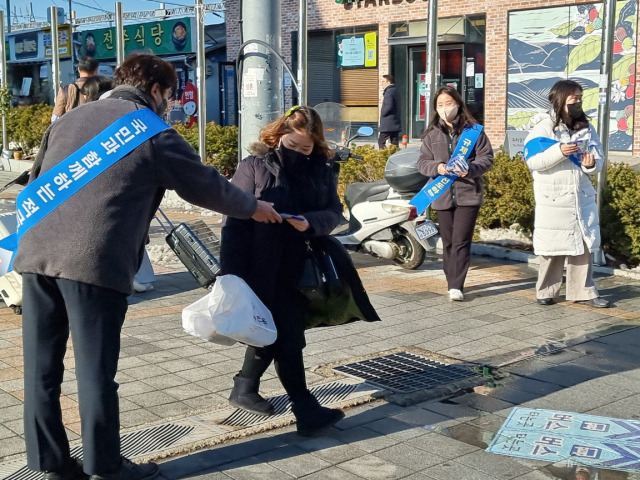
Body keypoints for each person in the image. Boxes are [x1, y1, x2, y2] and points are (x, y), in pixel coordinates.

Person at [14, 53, 280, 480]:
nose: (169, 105)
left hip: (34, 255)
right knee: (95, 372)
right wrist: (254, 207)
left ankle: (50, 463)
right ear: (156, 90)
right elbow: (205, 185)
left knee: (41, 368)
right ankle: (106, 466)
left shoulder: (67, 120)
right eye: (169, 96)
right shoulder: (150, 130)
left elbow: (38, 177)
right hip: (92, 263)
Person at [220, 105, 352, 437]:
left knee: (274, 330)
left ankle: (245, 386)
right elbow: (232, 220)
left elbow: (334, 212)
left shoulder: (323, 168)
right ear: (279, 137)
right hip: (259, 264)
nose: (299, 153)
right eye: (292, 146)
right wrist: (229, 273)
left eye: (306, 148)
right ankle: (305, 410)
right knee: (289, 337)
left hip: (301, 265)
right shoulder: (254, 165)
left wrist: (310, 222)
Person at [524, 79, 610, 308]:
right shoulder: (543, 127)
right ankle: (546, 290)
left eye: (580, 98)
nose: (578, 102)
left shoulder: (586, 127)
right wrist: (560, 151)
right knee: (552, 248)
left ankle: (584, 291)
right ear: (560, 99)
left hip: (580, 195)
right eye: (573, 98)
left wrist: (591, 164)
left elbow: (599, 159)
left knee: (583, 246)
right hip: (554, 197)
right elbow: (534, 161)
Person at [417, 86, 494, 302]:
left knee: (461, 241)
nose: (444, 109)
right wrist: (438, 167)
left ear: (458, 104)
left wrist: (470, 169)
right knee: (448, 242)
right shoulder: (431, 135)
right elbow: (422, 163)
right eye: (440, 105)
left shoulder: (474, 132)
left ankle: (456, 285)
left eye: (448, 104)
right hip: (442, 196)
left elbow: (486, 158)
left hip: (468, 194)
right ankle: (451, 279)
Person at [51, 56, 99, 122]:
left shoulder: (65, 90)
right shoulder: (101, 88)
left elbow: (55, 119)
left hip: (71, 129)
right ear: (96, 71)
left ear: (79, 69)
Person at [378, 74, 402, 149]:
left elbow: (389, 106)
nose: (381, 83)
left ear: (388, 82)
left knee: (381, 141)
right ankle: (395, 157)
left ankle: (383, 156)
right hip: (395, 121)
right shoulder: (395, 90)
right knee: (394, 142)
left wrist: (383, 114)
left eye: (383, 81)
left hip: (388, 122)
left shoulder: (389, 91)